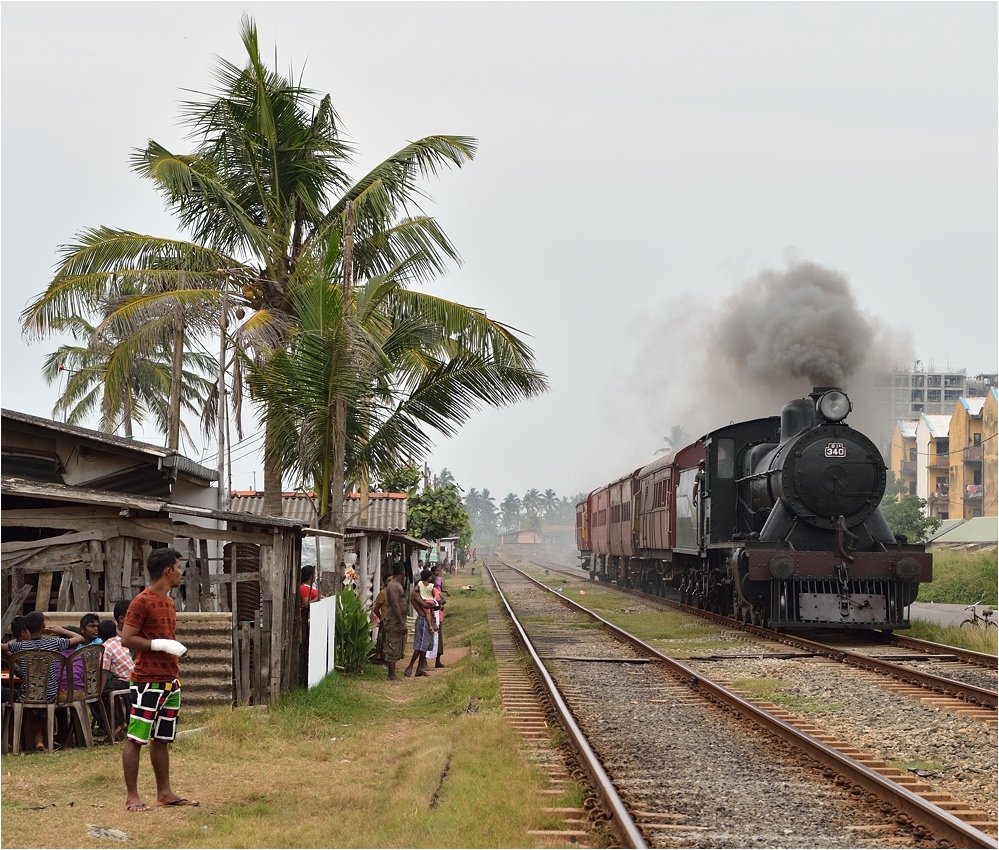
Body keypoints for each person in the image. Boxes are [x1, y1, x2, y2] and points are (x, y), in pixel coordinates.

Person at [121, 547, 197, 811]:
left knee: (162, 738)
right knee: (137, 738)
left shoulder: (169, 601)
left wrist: (172, 647)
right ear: (168, 571)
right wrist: (162, 646)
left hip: (170, 680)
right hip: (146, 681)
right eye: (179, 568)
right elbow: (127, 638)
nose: (181, 573)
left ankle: (164, 793)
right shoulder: (142, 601)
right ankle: (132, 796)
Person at [1, 610, 84, 751]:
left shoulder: (21, 646)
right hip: (51, 693)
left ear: (26, 629)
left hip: (27, 694)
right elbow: (79, 638)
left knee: (30, 702)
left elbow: (3, 647)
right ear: (43, 627)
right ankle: (43, 740)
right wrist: (62, 630)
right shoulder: (55, 643)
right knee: (44, 703)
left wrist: (10, 656)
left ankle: (32, 740)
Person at [99, 617, 134, 734]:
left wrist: (100, 689)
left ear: (99, 635)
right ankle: (119, 722)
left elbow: (104, 670)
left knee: (96, 694)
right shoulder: (120, 640)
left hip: (123, 681)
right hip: (134, 678)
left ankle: (117, 724)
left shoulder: (105, 647)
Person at [404, 569, 436, 678]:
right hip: (422, 620)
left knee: (425, 646)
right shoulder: (415, 594)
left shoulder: (422, 593)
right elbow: (426, 605)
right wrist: (435, 604)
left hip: (427, 620)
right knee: (420, 646)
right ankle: (410, 666)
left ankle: (419, 668)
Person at [382, 564, 408, 681]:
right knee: (393, 642)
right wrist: (401, 622)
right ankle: (391, 674)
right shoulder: (393, 586)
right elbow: (394, 604)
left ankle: (392, 672)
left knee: (397, 642)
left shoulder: (396, 585)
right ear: (402, 572)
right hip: (394, 618)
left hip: (398, 617)